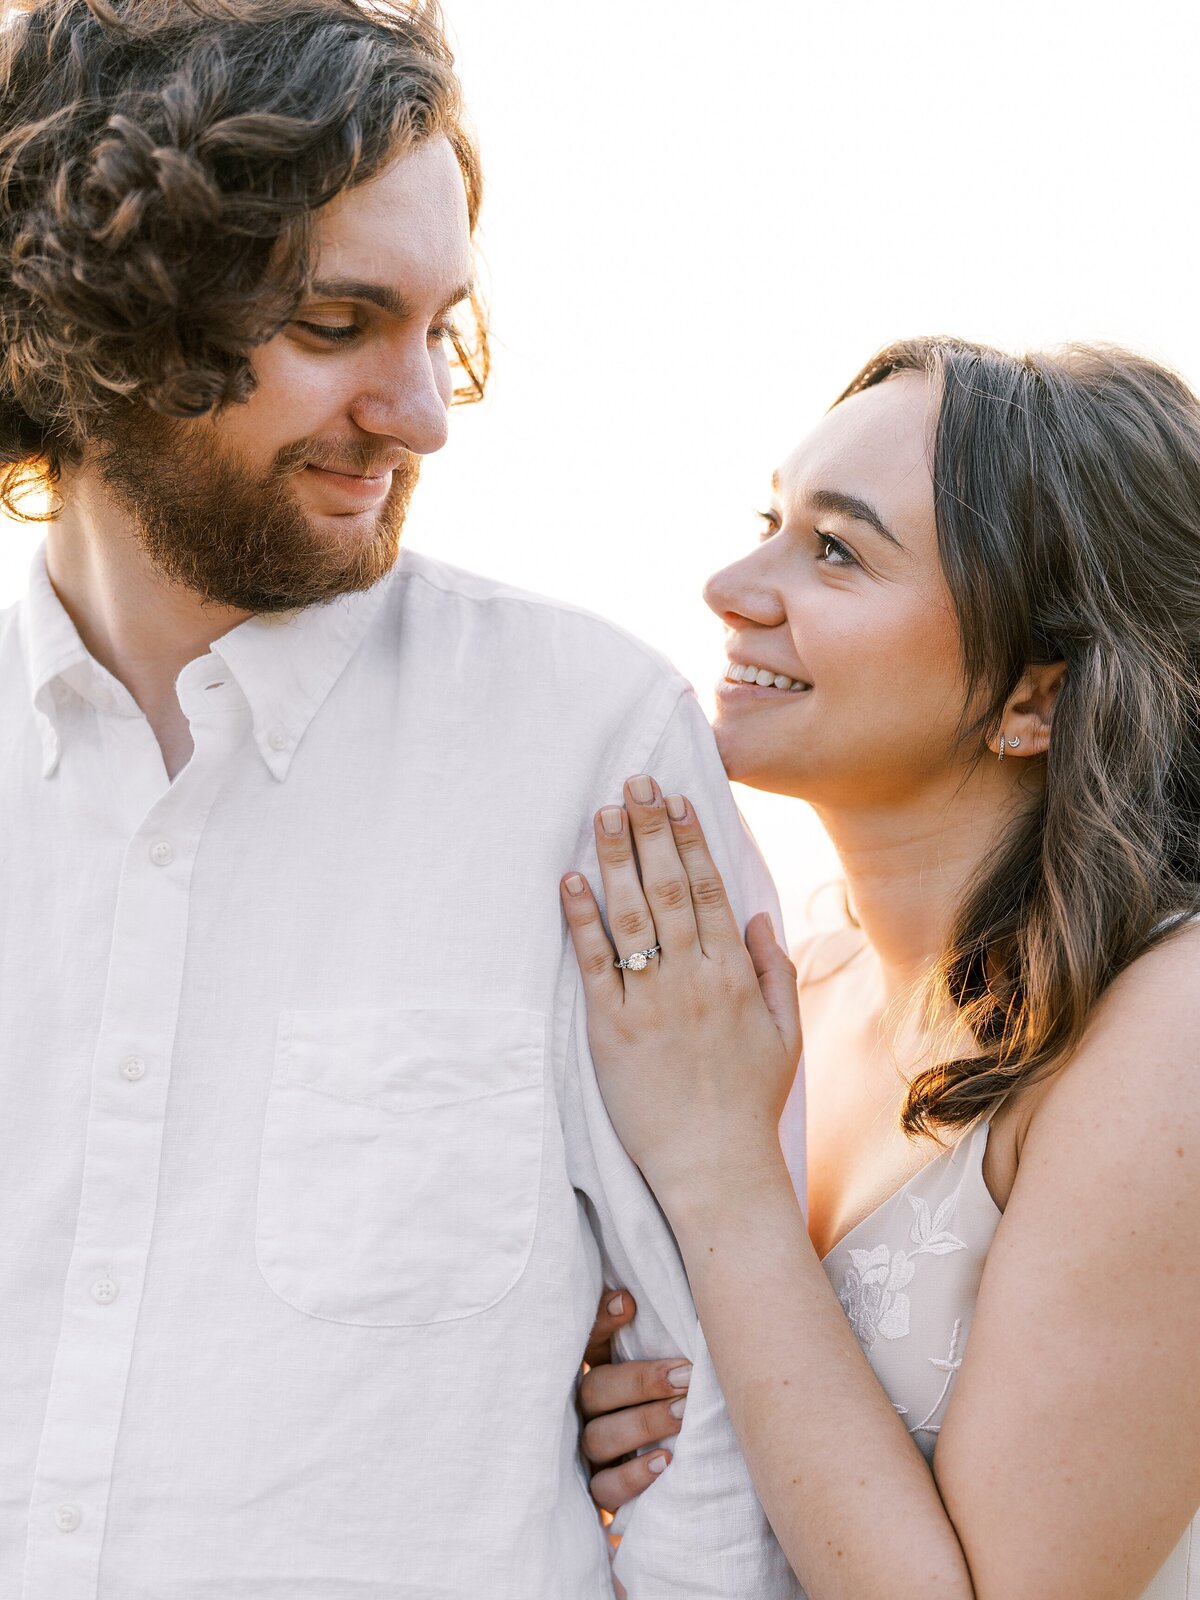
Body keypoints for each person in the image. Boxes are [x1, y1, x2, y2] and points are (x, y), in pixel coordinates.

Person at [0, 3, 805, 1596]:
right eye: (337, 322)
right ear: (108, 310)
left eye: (438, 327)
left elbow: (714, 1423)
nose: (424, 411)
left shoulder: (591, 749)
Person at [568, 339, 1200, 1598]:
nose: (732, 585)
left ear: (1034, 695)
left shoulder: (1169, 1028)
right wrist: (620, 1418)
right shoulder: (779, 998)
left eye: (838, 550)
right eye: (771, 521)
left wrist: (719, 1175)